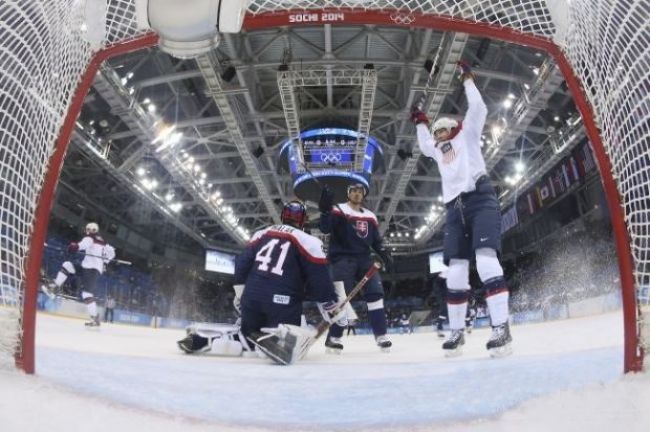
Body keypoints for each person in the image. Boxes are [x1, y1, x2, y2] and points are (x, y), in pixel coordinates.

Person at [411, 60, 513, 357]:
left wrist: (467, 79)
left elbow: (479, 108)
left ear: (454, 128)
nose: (439, 134)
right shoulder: (438, 150)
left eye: (443, 129)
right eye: (437, 131)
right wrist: (420, 121)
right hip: (454, 210)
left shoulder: (466, 135)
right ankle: (457, 333)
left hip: (479, 199)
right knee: (455, 272)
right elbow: (424, 144)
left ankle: (501, 329)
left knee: (484, 259)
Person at [182, 200, 346, 365]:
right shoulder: (309, 241)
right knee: (298, 327)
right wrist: (329, 304)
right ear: (303, 220)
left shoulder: (261, 234)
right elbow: (318, 278)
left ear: (283, 216)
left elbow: (241, 265)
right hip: (282, 303)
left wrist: (241, 295)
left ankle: (202, 340)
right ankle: (279, 340)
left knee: (246, 336)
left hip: (251, 299)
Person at [318, 182, 393, 353]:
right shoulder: (339, 209)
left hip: (364, 259)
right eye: (354, 191)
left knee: (375, 293)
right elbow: (325, 228)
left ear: (364, 195)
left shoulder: (370, 216)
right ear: (348, 193)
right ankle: (334, 337)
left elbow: (375, 241)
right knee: (342, 298)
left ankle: (381, 336)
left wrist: (383, 253)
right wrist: (325, 211)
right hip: (342, 259)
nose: (357, 194)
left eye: (360, 191)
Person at [67, 222, 116, 327]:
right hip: (90, 268)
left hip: (91, 268)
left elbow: (82, 245)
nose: (88, 231)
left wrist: (75, 247)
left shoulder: (90, 238)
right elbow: (112, 252)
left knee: (87, 294)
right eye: (88, 229)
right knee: (67, 266)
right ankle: (53, 286)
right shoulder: (103, 241)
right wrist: (105, 261)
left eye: (89, 229)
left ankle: (95, 319)